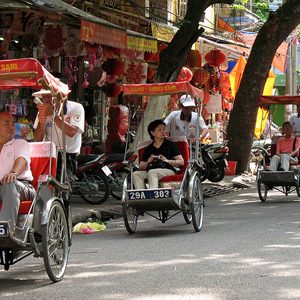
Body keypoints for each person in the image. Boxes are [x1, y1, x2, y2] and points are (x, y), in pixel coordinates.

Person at [33, 89, 85, 179]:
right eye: (44, 97)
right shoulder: (43, 111)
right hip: (48, 154)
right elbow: (38, 138)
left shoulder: (76, 107)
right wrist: (41, 124)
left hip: (67, 154)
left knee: (63, 184)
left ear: (60, 96)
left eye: (49, 96)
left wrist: (54, 116)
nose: (46, 100)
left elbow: (72, 132)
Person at [0, 112, 36, 227]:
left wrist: (13, 173)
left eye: (12, 124)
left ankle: (5, 229)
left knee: (9, 183)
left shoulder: (20, 143)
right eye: (7, 124)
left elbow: (22, 159)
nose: (12, 127)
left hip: (21, 186)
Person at [133, 119, 184, 189]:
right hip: (152, 170)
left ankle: (152, 195)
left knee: (152, 172)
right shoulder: (148, 148)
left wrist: (166, 160)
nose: (163, 131)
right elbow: (141, 167)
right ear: (152, 133)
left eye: (163, 129)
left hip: (168, 170)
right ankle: (141, 196)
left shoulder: (171, 144)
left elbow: (181, 162)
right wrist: (148, 161)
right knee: (136, 174)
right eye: (159, 130)